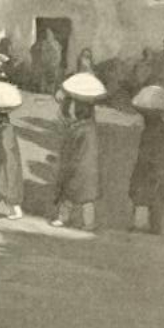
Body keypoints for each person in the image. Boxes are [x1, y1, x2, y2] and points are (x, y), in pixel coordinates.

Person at [51, 77, 103, 231]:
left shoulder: (80, 129)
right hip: (88, 168)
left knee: (70, 194)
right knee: (86, 197)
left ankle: (63, 218)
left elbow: (71, 148)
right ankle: (88, 223)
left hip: (79, 166)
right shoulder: (89, 127)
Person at [129, 86, 164, 235]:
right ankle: (156, 227)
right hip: (159, 169)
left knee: (143, 196)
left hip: (150, 169)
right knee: (155, 198)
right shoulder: (159, 127)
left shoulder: (153, 130)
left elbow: (148, 153)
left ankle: (142, 226)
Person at [30, 29, 63, 94]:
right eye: (47, 34)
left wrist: (53, 64)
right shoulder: (42, 43)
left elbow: (58, 56)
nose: (48, 35)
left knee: (51, 85)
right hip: (43, 67)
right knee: (42, 85)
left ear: (53, 35)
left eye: (50, 34)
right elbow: (33, 50)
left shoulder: (56, 44)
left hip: (53, 67)